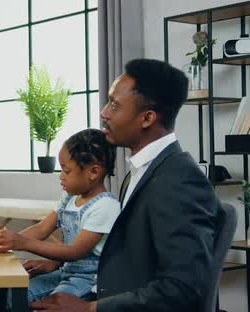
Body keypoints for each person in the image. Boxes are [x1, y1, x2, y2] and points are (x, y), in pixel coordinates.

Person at [27, 59, 223, 312]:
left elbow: (182, 289)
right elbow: (129, 251)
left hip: (116, 301)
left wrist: (90, 308)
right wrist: (57, 264)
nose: (104, 113)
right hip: (109, 288)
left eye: (114, 105)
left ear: (147, 118)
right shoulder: (142, 170)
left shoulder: (179, 181)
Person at [0, 128, 120, 311]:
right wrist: (8, 242)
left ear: (93, 172)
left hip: (87, 280)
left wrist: (22, 242)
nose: (61, 176)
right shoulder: (68, 198)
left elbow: (74, 252)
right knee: (9, 298)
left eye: (67, 171)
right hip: (64, 272)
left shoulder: (106, 206)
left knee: (41, 305)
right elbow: (42, 228)